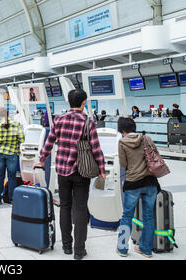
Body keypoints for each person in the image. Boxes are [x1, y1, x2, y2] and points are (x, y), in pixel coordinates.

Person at [33, 89, 106, 260]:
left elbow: (49, 142)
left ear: (68, 102)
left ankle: (66, 246)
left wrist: (42, 160)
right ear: (83, 103)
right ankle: (79, 251)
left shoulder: (58, 120)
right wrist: (102, 169)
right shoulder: (88, 122)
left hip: (62, 171)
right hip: (81, 171)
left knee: (65, 206)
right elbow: (96, 148)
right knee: (80, 209)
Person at [116, 117, 160, 258]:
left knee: (127, 216)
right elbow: (156, 155)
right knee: (149, 216)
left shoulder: (122, 142)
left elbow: (123, 163)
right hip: (150, 182)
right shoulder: (146, 138)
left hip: (133, 183)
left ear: (122, 130)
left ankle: (122, 249)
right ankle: (146, 249)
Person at [0, 107, 24, 205]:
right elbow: (22, 139)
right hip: (12, 153)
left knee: (0, 176)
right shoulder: (16, 124)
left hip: (0, 153)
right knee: (11, 177)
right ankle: (12, 199)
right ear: (8, 114)